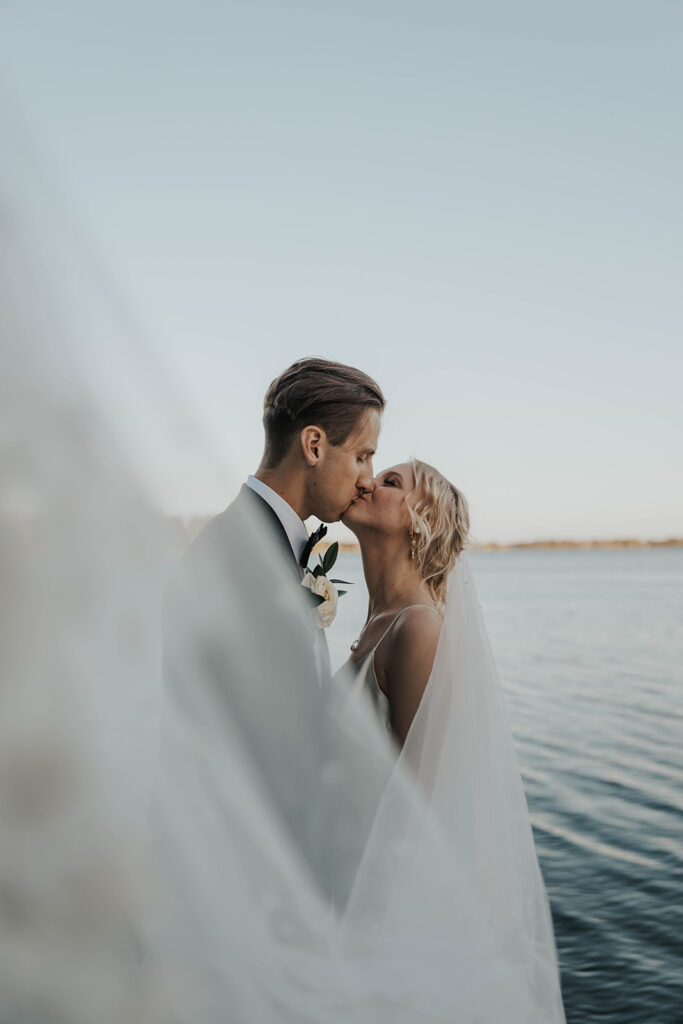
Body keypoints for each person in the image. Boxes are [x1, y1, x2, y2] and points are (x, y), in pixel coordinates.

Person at [161, 356, 384, 894]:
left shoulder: (264, 546)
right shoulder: (239, 556)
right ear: (313, 445)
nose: (367, 480)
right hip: (234, 878)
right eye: (361, 456)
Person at [338, 458, 468, 748]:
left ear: (424, 521)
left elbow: (417, 783)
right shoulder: (382, 618)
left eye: (390, 482)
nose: (367, 482)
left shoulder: (418, 625)